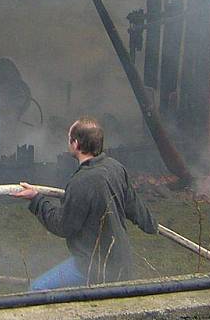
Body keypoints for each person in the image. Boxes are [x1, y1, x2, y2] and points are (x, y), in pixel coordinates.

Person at [12, 117, 157, 289]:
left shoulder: (81, 181)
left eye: (69, 139)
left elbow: (63, 225)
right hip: (122, 261)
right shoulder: (115, 168)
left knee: (37, 289)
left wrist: (36, 200)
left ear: (75, 144)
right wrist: (151, 225)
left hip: (92, 266)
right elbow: (134, 206)